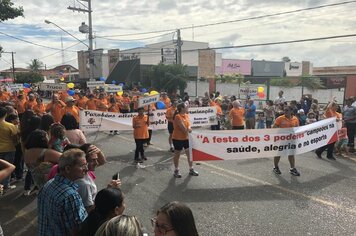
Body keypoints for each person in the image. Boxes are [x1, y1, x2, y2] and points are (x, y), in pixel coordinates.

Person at [38, 149, 88, 236]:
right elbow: (77, 229)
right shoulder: (70, 196)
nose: (86, 169)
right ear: (68, 168)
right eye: (82, 166)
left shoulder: (49, 183)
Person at [24, 129, 61, 194]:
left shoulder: (27, 152)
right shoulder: (46, 153)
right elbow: (67, 158)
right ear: (43, 139)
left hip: (40, 186)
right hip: (54, 186)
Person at [172, 103, 198, 178]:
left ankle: (191, 169)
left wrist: (189, 128)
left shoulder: (186, 115)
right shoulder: (177, 116)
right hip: (177, 138)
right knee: (177, 154)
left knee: (189, 154)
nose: (187, 107)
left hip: (186, 138)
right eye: (186, 106)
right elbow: (182, 127)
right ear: (182, 108)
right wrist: (189, 131)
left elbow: (188, 124)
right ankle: (176, 170)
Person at [272, 105, 301, 176]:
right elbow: (274, 127)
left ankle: (292, 168)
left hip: (291, 139)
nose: (285, 111)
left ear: (291, 111)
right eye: (284, 110)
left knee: (291, 154)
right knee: (279, 154)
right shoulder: (280, 118)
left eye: (287, 110)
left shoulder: (295, 119)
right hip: (282, 140)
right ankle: (275, 167)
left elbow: (297, 129)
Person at [0, 106, 19, 191]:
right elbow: (15, 139)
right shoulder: (10, 126)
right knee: (8, 167)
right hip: (9, 149)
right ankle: (5, 185)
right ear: (5, 114)